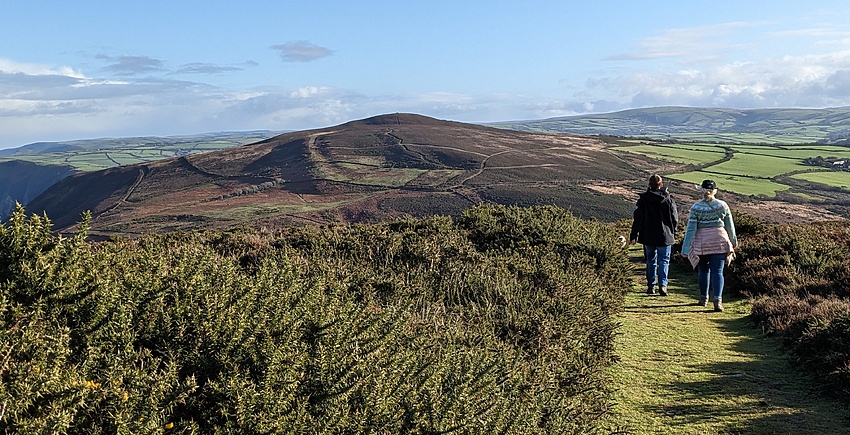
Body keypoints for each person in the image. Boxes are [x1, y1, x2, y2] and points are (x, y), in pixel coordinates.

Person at [680, 179, 738, 312]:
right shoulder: (723, 206)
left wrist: (685, 248)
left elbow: (691, 229)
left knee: (703, 271)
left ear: (701, 191)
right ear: (715, 191)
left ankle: (703, 298)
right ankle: (718, 300)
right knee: (718, 272)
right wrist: (734, 242)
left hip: (702, 243)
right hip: (720, 241)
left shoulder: (696, 208)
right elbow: (730, 226)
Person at [630, 174, 679, 296]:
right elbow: (674, 218)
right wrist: (674, 232)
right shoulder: (667, 199)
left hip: (648, 235)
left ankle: (651, 286)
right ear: (661, 185)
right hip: (665, 235)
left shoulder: (643, 199)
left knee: (650, 261)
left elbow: (638, 218)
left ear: (649, 185)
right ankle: (663, 285)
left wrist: (634, 235)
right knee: (664, 261)